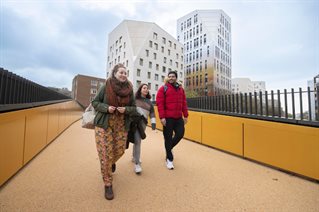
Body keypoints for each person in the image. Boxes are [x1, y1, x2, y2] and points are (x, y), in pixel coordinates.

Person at [91, 63, 136, 200]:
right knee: (105, 154)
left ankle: (111, 162)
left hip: (121, 125)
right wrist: (106, 108)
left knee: (120, 150)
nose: (123, 75)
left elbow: (134, 107)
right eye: (121, 72)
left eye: (125, 73)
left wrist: (126, 110)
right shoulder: (106, 85)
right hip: (104, 125)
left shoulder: (130, 89)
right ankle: (107, 183)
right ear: (115, 73)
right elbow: (95, 102)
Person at [156, 70, 188, 170]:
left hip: (178, 118)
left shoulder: (181, 89)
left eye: (173, 76)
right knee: (168, 138)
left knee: (180, 134)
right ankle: (169, 159)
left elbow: (184, 102)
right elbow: (159, 104)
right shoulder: (163, 89)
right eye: (169, 76)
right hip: (168, 118)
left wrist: (185, 115)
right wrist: (162, 117)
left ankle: (168, 148)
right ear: (167, 77)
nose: (171, 78)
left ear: (176, 78)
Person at [132, 83, 156, 174]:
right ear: (140, 89)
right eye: (144, 88)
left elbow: (152, 113)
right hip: (134, 123)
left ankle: (134, 156)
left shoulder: (149, 102)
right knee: (137, 141)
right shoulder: (134, 99)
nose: (146, 89)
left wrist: (153, 123)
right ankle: (137, 164)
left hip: (143, 124)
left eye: (147, 88)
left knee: (137, 140)